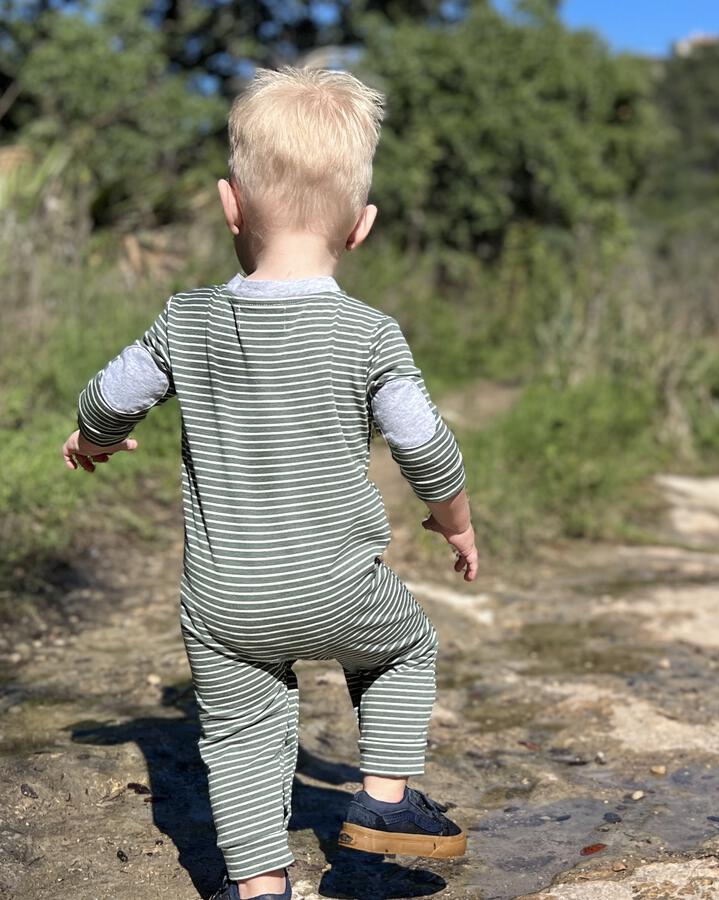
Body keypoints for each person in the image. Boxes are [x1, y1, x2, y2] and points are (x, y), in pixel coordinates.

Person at [60, 67, 477, 900]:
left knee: (244, 733)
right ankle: (384, 804)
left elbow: (114, 393)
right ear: (361, 227)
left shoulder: (187, 319)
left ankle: (260, 890)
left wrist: (90, 438)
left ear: (230, 204)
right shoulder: (368, 334)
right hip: (335, 584)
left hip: (224, 602)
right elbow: (425, 444)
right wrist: (455, 522)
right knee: (406, 645)